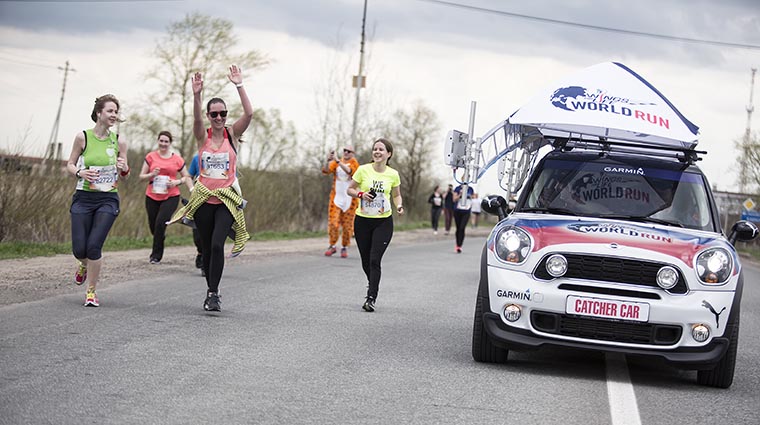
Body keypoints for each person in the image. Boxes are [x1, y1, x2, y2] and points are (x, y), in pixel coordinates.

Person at [171, 65, 253, 312]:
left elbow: (249, 114)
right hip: (204, 198)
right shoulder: (202, 137)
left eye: (223, 114)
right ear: (209, 116)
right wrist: (196, 95)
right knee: (206, 247)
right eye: (214, 114)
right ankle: (210, 290)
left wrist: (239, 85)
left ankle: (215, 293)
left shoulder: (232, 134)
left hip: (226, 199)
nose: (219, 118)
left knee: (217, 245)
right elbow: (195, 119)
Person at [66, 94, 130, 307]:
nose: (114, 115)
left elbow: (125, 172)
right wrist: (80, 173)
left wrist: (124, 169)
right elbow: (70, 164)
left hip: (107, 199)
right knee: (79, 250)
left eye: (116, 111)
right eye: (110, 111)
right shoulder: (82, 137)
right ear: (99, 113)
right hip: (83, 197)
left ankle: (91, 292)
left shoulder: (119, 140)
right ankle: (85, 265)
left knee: (94, 246)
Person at [347, 138, 404, 312]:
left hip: (383, 221)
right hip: (362, 221)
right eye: (375, 149)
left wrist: (399, 205)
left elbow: (396, 195)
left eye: (381, 149)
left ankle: (371, 297)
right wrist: (361, 194)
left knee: (374, 260)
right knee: (365, 261)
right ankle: (372, 282)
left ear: (389, 154)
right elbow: (350, 189)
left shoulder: (393, 174)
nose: (377, 152)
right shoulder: (363, 170)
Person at [139, 131, 193, 264]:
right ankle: (160, 236)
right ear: (158, 141)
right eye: (161, 141)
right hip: (152, 195)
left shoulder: (177, 159)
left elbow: (187, 176)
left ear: (170, 143)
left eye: (166, 141)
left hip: (171, 196)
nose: (163, 144)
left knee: (160, 223)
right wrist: (152, 174)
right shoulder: (150, 157)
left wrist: (176, 182)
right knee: (154, 226)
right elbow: (141, 177)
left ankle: (155, 256)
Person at [322, 146, 360, 258]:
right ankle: (332, 245)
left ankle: (344, 247)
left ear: (353, 153)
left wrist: (337, 161)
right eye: (345, 151)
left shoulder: (355, 164)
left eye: (349, 151)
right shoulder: (336, 163)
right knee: (333, 223)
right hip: (336, 198)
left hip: (350, 199)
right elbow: (326, 170)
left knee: (348, 226)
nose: (346, 153)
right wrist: (328, 161)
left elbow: (350, 172)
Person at [453, 183, 474, 253]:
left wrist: (471, 197)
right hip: (458, 210)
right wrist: (460, 195)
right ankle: (457, 244)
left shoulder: (470, 189)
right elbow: (454, 199)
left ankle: (460, 245)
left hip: (466, 211)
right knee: (458, 228)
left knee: (462, 227)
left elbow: (473, 199)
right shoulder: (457, 188)